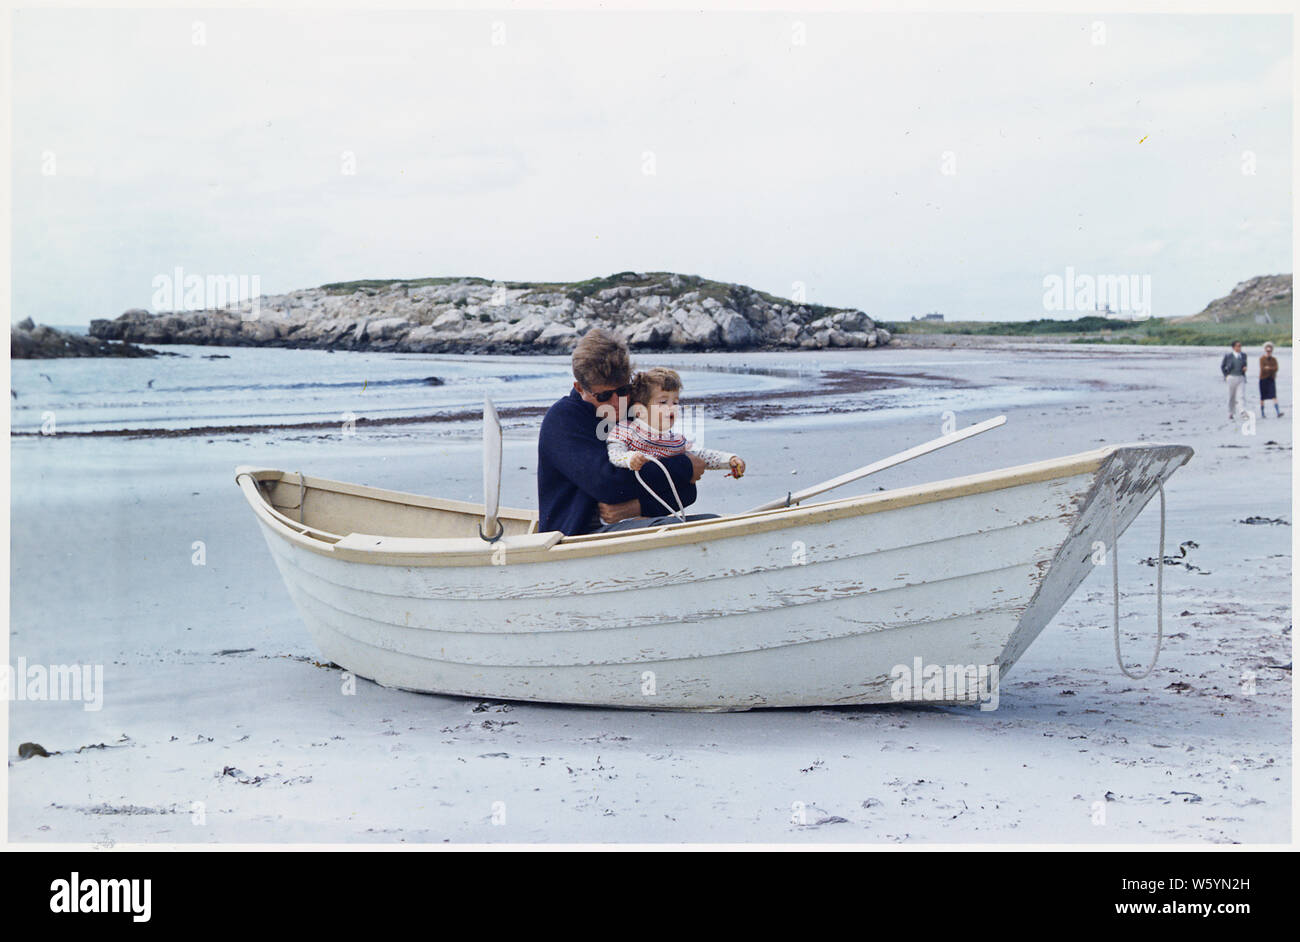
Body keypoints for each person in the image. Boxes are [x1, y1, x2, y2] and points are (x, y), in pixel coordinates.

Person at [536, 328, 708, 535]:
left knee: (713, 522)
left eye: (623, 391)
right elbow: (609, 484)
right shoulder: (563, 419)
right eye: (604, 396)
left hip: (633, 522)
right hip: (576, 533)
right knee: (682, 530)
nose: (617, 403)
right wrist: (684, 466)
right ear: (580, 388)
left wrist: (638, 507)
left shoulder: (634, 411)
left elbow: (688, 491)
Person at [605, 368, 746, 526]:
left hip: (654, 509)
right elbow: (615, 452)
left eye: (675, 402)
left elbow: (698, 454)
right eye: (663, 402)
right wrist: (629, 458)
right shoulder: (626, 430)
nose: (671, 407)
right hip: (622, 512)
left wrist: (728, 460)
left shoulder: (672, 439)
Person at [1220, 340, 1248, 421]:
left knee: (1241, 396)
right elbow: (1222, 366)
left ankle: (1242, 411)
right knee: (1231, 396)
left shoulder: (1244, 355)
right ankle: (1231, 412)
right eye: (1238, 346)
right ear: (1233, 347)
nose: (1239, 347)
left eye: (1240, 346)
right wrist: (1226, 376)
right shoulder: (1228, 356)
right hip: (1231, 377)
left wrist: (1245, 368)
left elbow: (1245, 364)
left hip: (1241, 377)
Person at [1258, 342, 1282, 418]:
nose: (1269, 352)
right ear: (1265, 350)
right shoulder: (1262, 358)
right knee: (1262, 397)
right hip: (1263, 379)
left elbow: (1276, 368)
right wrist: (1271, 369)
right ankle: (1262, 413)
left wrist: (1269, 368)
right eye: (1267, 351)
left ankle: (1278, 412)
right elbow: (1263, 368)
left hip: (1271, 379)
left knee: (1274, 396)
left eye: (1270, 351)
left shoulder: (1274, 359)